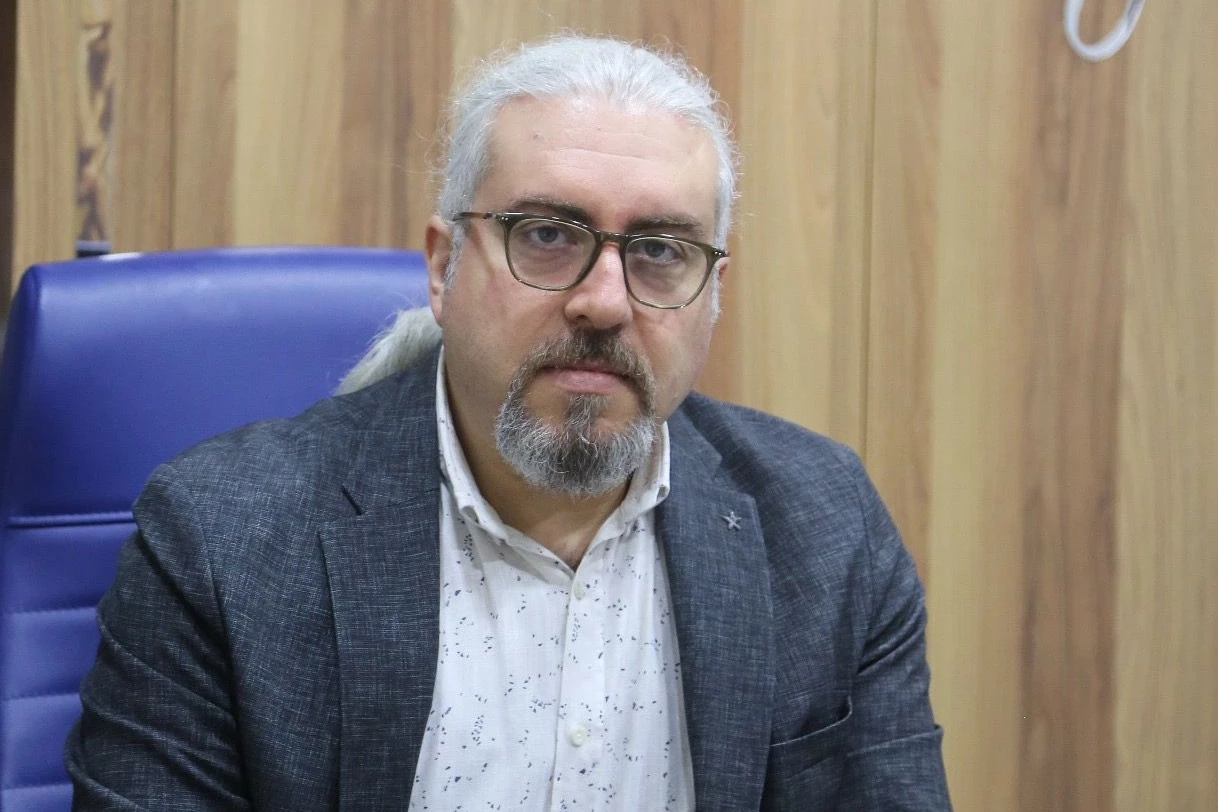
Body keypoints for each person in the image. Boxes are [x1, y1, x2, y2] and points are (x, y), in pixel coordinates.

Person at [65, 34, 951, 811]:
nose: (605, 302)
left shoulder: (825, 532)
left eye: (660, 251)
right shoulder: (222, 541)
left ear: (711, 295)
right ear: (443, 268)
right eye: (548, 235)